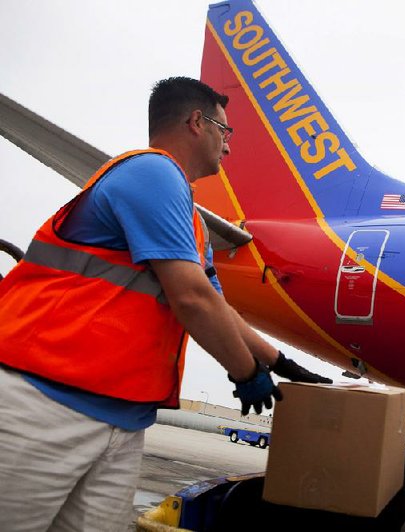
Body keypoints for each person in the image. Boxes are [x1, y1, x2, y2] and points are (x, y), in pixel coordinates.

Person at [0, 77, 331, 532]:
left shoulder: (189, 218)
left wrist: (284, 365)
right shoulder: (151, 173)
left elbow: (217, 307)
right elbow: (191, 299)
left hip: (122, 419)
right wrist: (244, 371)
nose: (229, 147)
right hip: (46, 403)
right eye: (225, 131)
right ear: (197, 122)